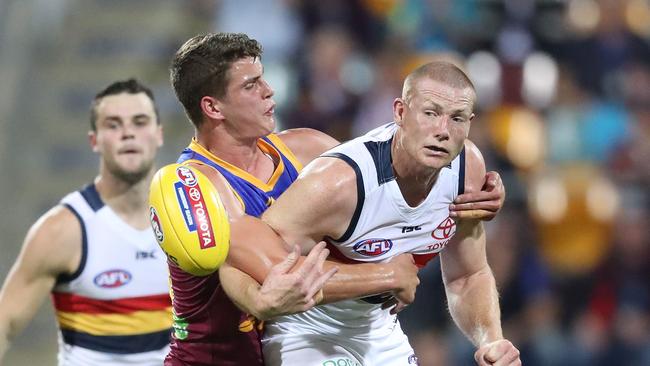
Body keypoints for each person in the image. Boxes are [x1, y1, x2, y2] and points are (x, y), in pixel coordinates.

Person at [165, 32, 506, 366]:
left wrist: (470, 195)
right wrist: (387, 277)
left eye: (263, 79)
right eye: (251, 85)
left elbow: (375, 179)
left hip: (320, 332)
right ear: (212, 106)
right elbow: (252, 272)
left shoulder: (306, 148)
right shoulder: (194, 183)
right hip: (219, 356)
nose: (269, 91)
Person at [0, 79, 171, 365]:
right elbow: (5, 324)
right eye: (113, 125)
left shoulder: (189, 218)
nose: (128, 133)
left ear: (159, 134)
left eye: (139, 122)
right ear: (94, 140)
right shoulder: (62, 230)